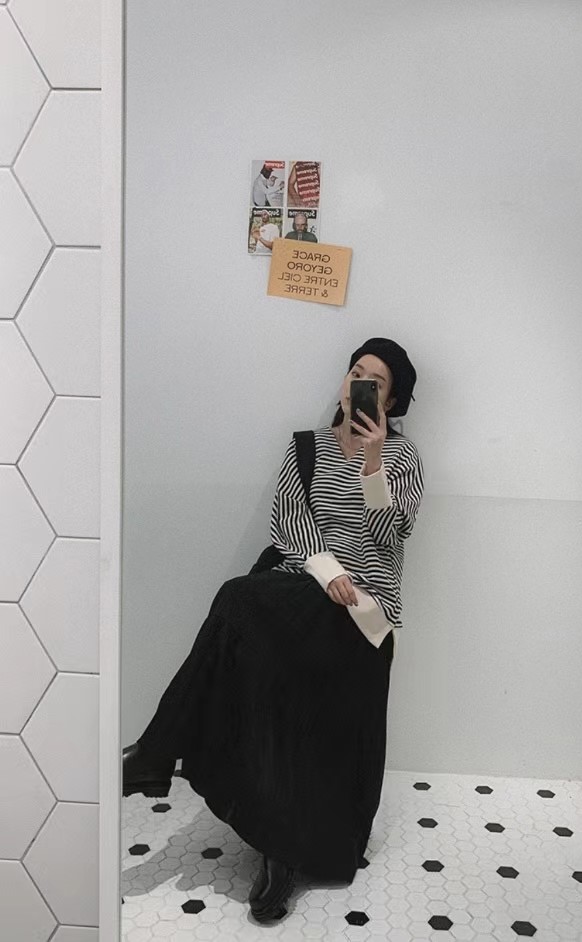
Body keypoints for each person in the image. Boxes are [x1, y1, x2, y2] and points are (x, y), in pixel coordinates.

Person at [122, 337, 424, 923]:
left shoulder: (402, 458)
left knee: (239, 599)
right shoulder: (306, 447)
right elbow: (288, 521)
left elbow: (390, 537)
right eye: (354, 371)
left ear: (391, 400)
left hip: (364, 609)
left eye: (375, 381)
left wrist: (372, 463)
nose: (357, 384)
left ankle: (157, 752)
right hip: (305, 588)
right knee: (246, 616)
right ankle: (272, 846)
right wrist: (328, 571)